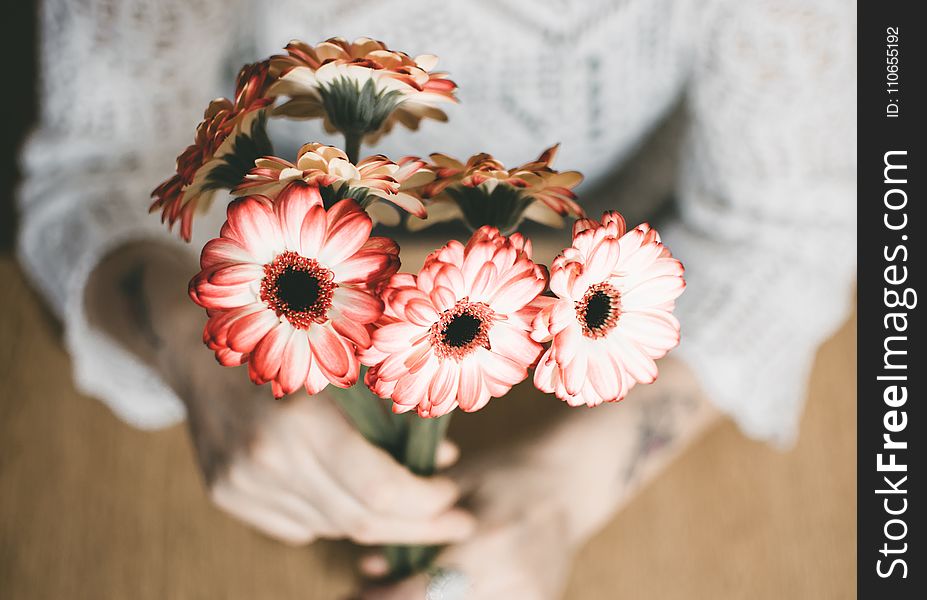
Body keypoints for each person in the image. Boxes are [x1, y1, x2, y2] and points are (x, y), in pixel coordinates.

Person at [17, 0, 855, 598]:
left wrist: (563, 489)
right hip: (284, 253)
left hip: (596, 269)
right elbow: (100, 175)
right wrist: (206, 366)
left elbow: (789, 232)